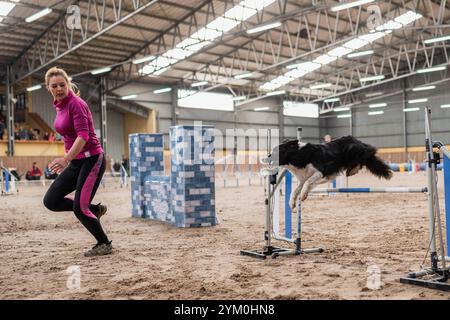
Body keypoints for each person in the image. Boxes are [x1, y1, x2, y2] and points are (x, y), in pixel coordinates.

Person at [42, 66, 112, 257]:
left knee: (79, 208)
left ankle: (104, 243)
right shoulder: (59, 105)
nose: (59, 89)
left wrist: (66, 158)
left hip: (91, 160)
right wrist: (70, 159)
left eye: (62, 85)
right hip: (76, 162)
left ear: (68, 84)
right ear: (49, 88)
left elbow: (83, 136)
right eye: (54, 86)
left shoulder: (76, 104)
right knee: (51, 201)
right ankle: (95, 209)